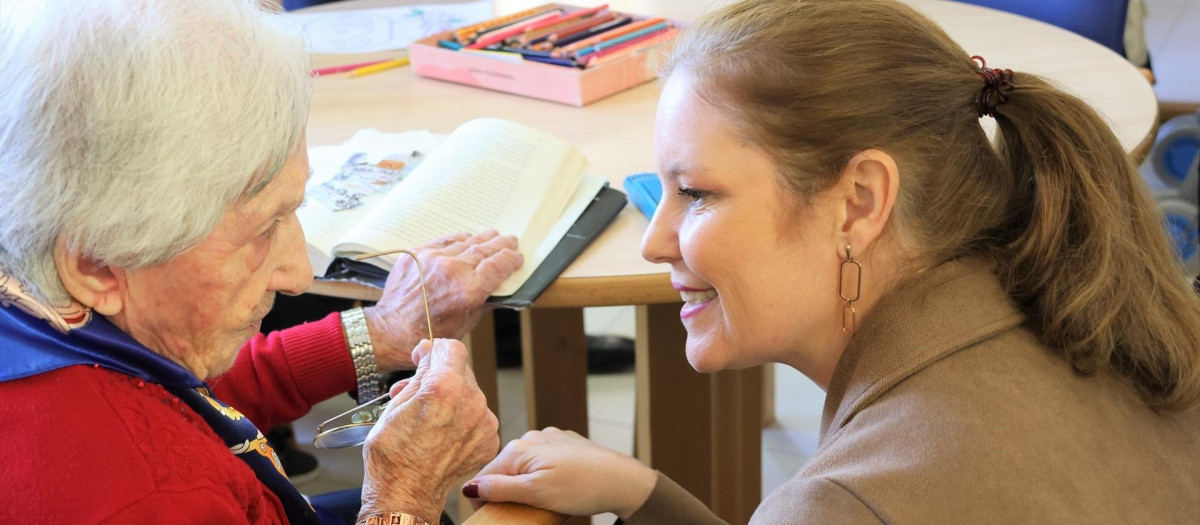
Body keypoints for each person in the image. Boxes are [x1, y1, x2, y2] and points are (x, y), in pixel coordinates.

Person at [461, 0, 1200, 522]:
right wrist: (646, 493)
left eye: (696, 192)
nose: (657, 240)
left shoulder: (854, 497)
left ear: (859, 201)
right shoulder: (1120, 324)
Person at [0, 1, 522, 524]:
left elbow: (175, 399)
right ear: (96, 263)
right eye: (263, 228)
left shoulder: (37, 282)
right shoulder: (149, 501)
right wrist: (404, 498)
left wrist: (382, 330)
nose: (298, 275)